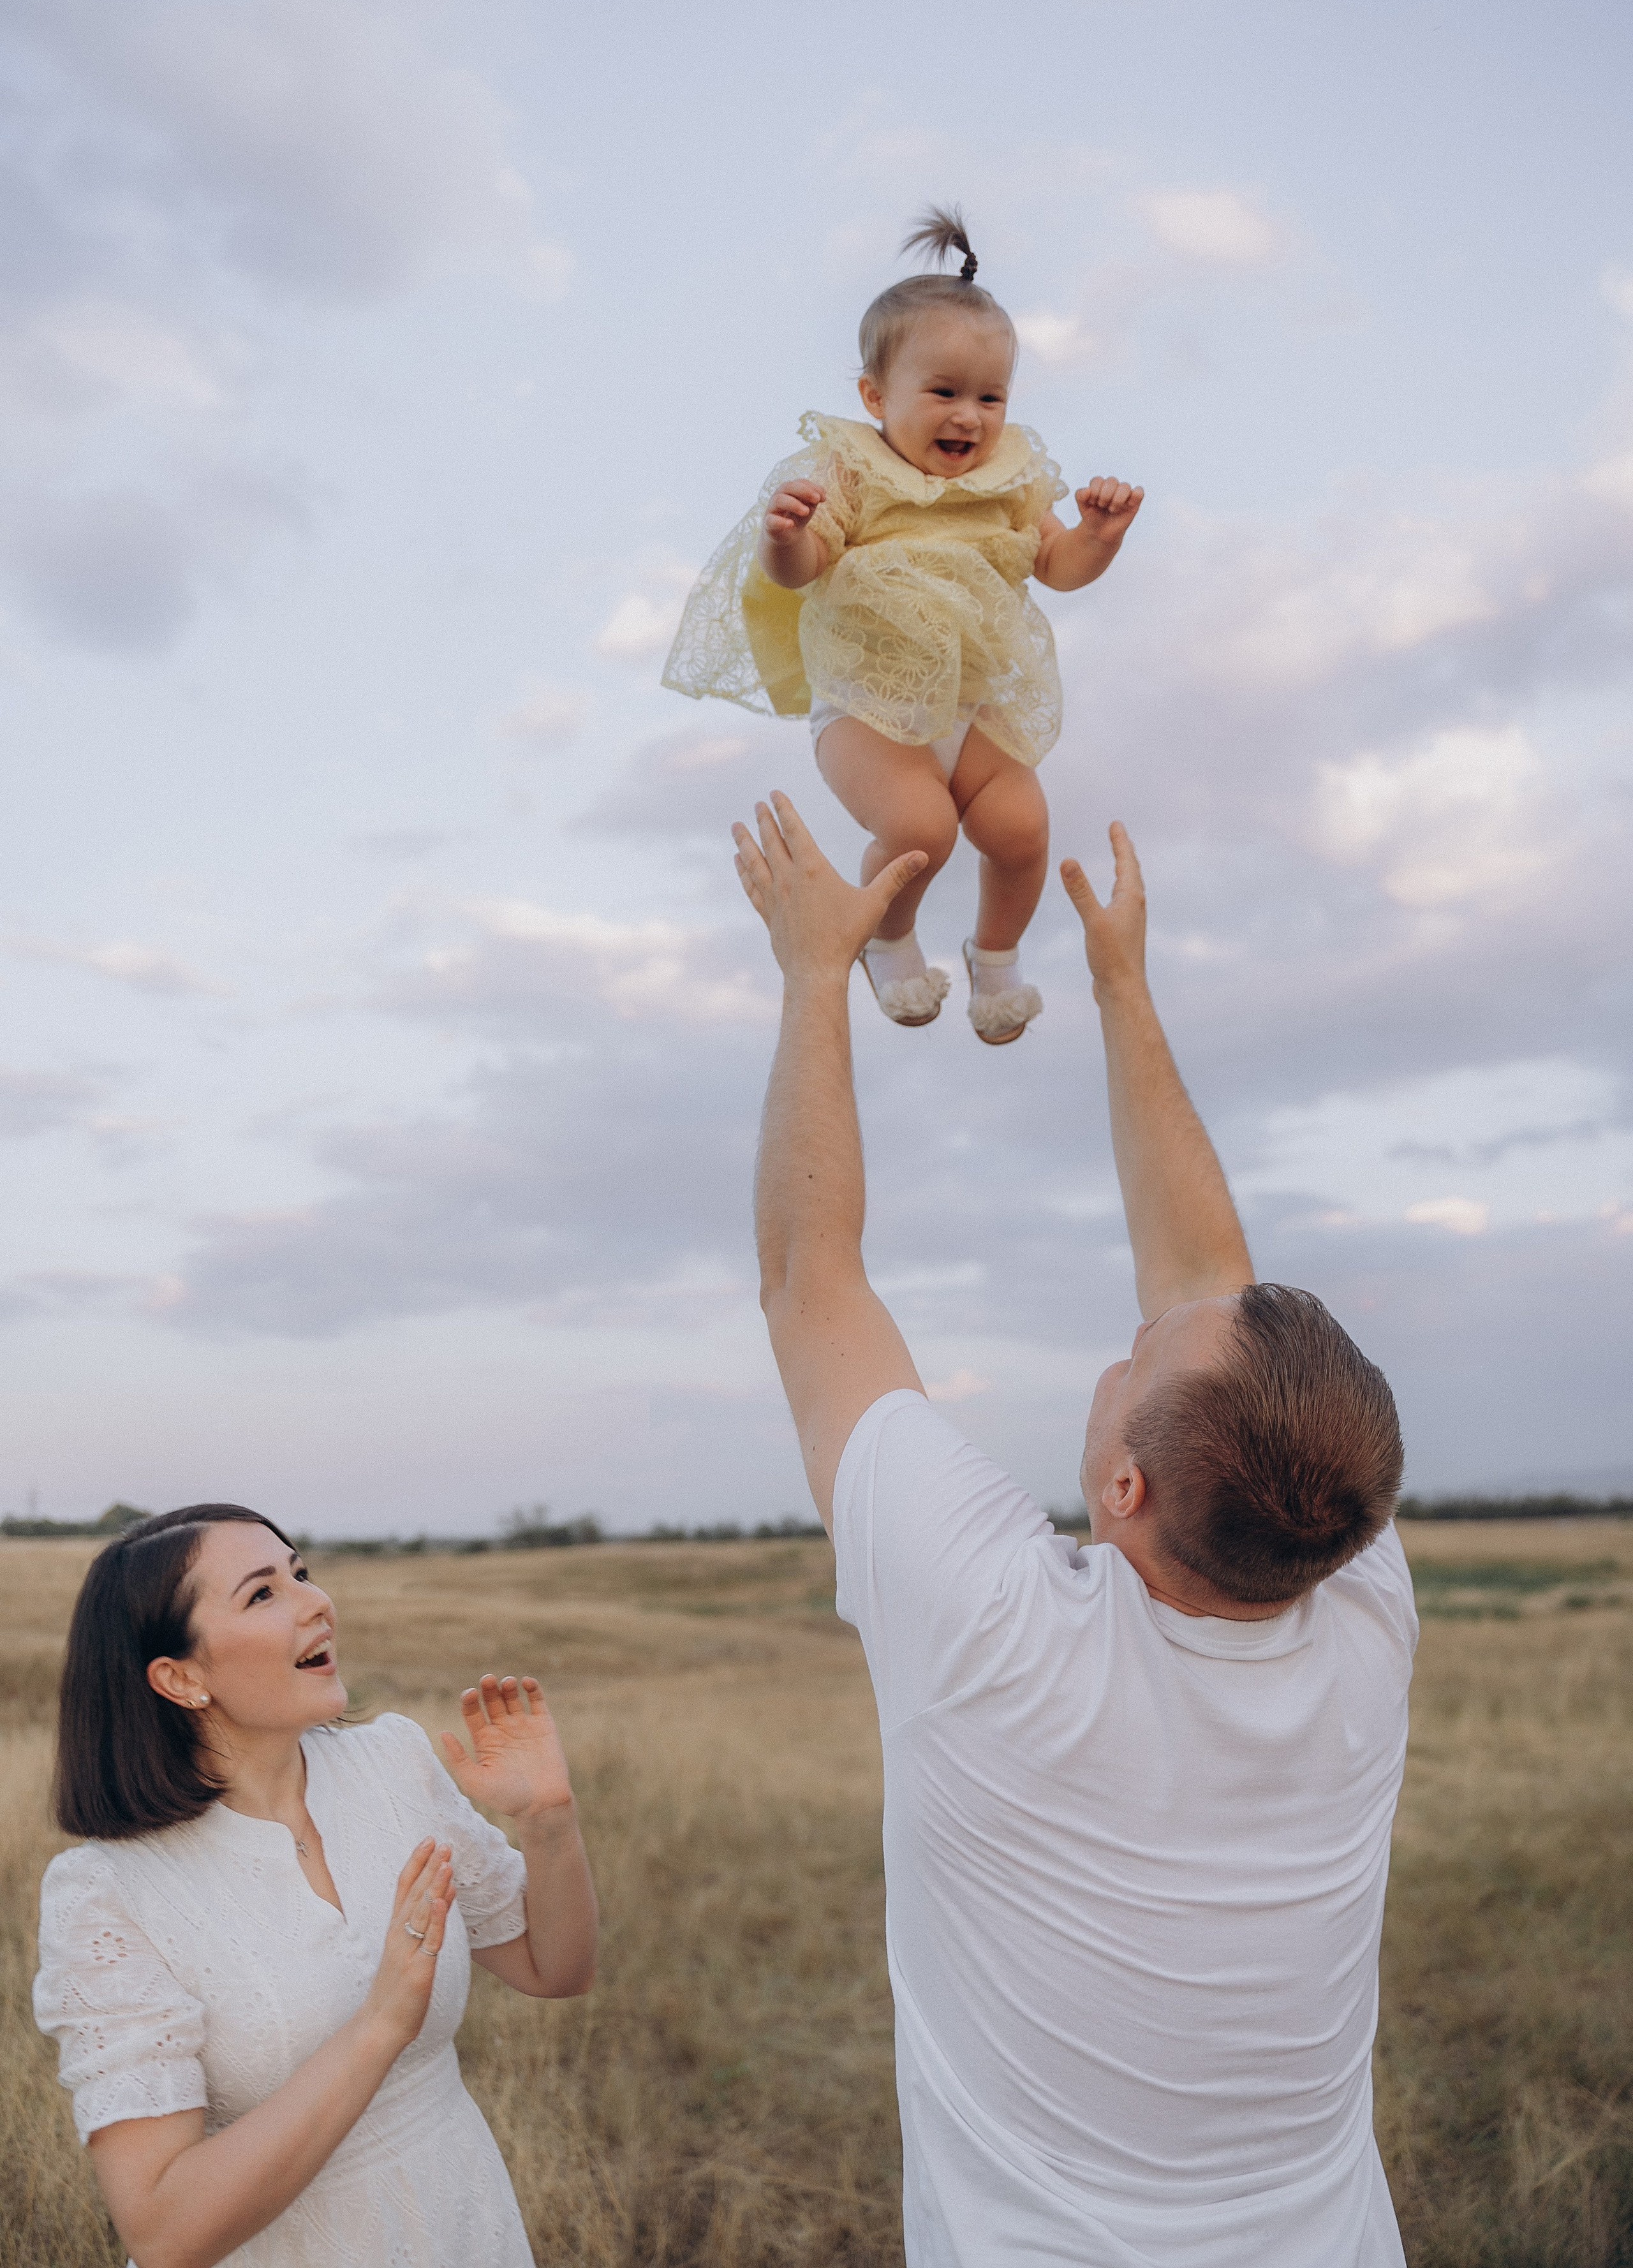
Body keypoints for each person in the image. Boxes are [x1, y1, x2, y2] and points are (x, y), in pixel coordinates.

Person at [729, 794, 1415, 2268]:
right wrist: (1116, 983)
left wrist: (807, 974)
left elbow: (807, 1275)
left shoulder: (995, 1635)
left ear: (1125, 1492)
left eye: (1142, 1358)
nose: (1136, 1331)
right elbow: (1207, 1280)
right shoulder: (1352, 1590)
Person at [33, 1505, 598, 2268]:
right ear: (181, 1677)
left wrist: (549, 1822)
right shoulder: (109, 1892)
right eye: (262, 1593)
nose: (316, 1601)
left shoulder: (391, 1764)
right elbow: (164, 2230)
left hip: (462, 2220)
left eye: (301, 1573)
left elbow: (553, 1968)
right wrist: (379, 2025)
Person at [665, 206, 1142, 1043]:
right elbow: (806, 567)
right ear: (875, 396)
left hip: (980, 700)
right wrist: (786, 539)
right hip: (870, 704)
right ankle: (887, 937)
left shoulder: (1014, 477)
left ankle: (996, 960)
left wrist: (1099, 536)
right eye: (944, 393)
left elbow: (1057, 567)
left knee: (1020, 830)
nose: (969, 417)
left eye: (990, 397)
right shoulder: (853, 470)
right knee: (923, 830)